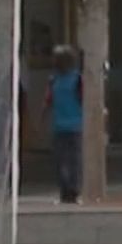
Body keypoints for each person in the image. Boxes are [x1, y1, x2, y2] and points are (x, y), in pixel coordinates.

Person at [43, 45, 84, 204]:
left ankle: (71, 190)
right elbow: (48, 100)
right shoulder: (55, 79)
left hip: (72, 126)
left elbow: (48, 101)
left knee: (69, 161)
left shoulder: (76, 79)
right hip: (64, 126)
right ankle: (67, 189)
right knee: (65, 161)